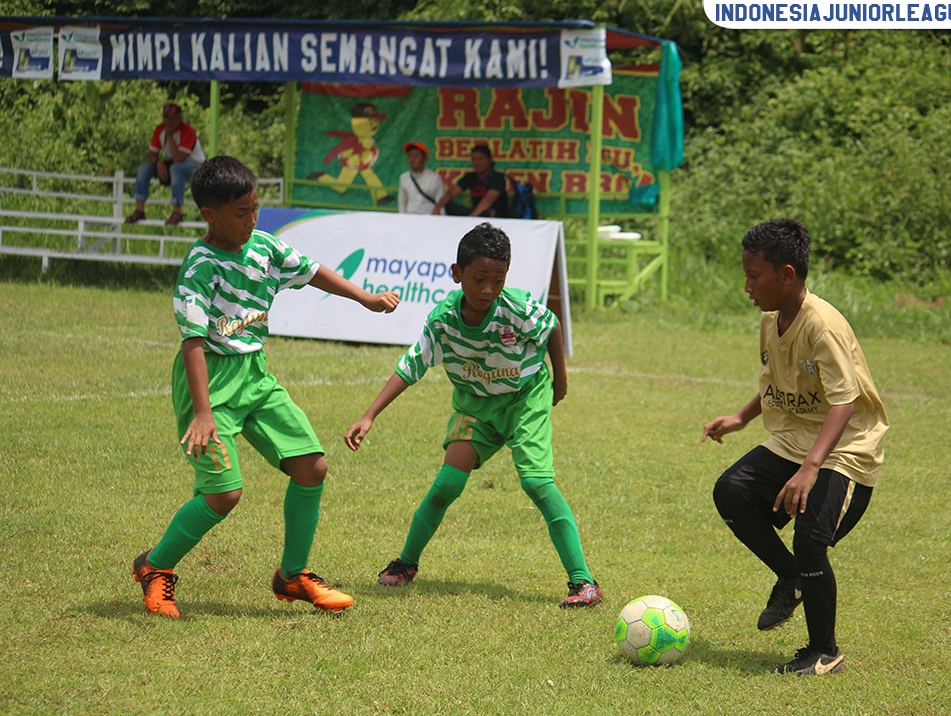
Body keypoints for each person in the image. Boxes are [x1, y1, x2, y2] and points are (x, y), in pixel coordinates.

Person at [132, 156, 400, 618]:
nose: (252, 219)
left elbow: (313, 270)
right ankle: (155, 567)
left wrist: (365, 298)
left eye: (255, 208)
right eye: (241, 212)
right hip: (210, 383)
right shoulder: (200, 266)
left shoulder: (264, 247)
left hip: (255, 375)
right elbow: (193, 342)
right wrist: (202, 412)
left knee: (312, 468)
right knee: (223, 495)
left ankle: (292, 575)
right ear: (209, 215)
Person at [344, 222, 602, 608]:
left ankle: (583, 582)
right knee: (447, 483)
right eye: (479, 279)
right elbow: (410, 366)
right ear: (457, 274)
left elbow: (552, 327)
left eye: (498, 280)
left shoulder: (515, 308)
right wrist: (369, 415)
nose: (488, 289)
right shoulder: (443, 321)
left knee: (537, 484)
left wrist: (559, 383)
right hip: (475, 406)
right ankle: (405, 564)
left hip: (524, 399)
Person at [703, 218, 889, 676]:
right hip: (793, 440)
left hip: (846, 449)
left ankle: (824, 651)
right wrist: (742, 417)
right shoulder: (771, 319)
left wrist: (810, 468)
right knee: (731, 492)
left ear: (786, 275)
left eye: (754, 275)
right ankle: (791, 577)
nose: (746, 285)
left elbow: (844, 401)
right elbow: (779, 381)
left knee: (810, 538)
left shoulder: (821, 326)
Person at [125, 102, 205, 226]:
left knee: (176, 168)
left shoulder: (188, 131)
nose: (168, 122)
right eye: (166, 118)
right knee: (145, 167)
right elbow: (152, 154)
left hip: (196, 166)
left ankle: (177, 211)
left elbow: (179, 158)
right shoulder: (160, 129)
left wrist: (170, 136)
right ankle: (139, 209)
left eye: (172, 118)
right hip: (173, 164)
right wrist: (158, 162)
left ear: (179, 118)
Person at [435, 144, 510, 218]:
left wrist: (472, 216)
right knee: (449, 205)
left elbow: (488, 200)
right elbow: (452, 193)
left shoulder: (497, 178)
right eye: (473, 159)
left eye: (480, 159)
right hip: (476, 214)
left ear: (489, 160)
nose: (476, 162)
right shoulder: (470, 177)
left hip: (495, 216)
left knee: (488, 211)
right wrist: (438, 207)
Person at [397, 141, 446, 215]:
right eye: (410, 156)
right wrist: (403, 219)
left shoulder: (434, 178)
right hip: (410, 218)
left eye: (416, 156)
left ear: (425, 158)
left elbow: (441, 203)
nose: (412, 160)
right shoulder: (404, 177)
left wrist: (441, 221)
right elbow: (402, 202)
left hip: (429, 218)